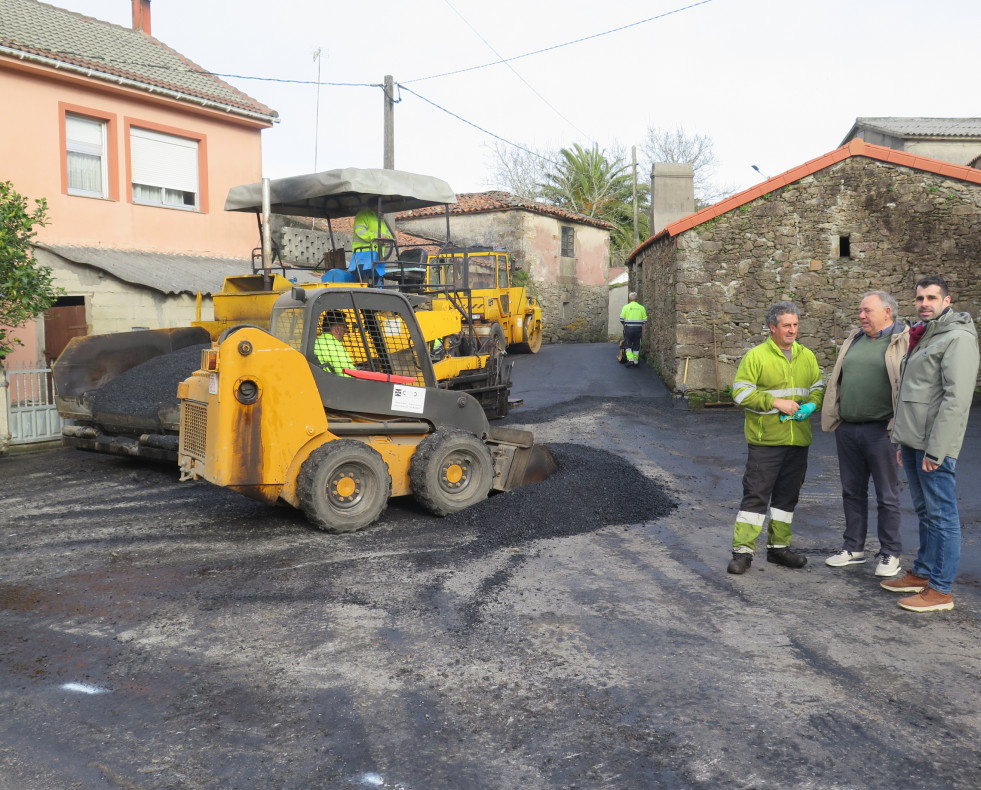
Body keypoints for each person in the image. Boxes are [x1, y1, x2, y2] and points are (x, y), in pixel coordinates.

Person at [881, 275, 979, 612]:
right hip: (913, 440)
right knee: (925, 512)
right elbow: (914, 393)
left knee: (942, 516)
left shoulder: (957, 338)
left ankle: (940, 590)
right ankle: (923, 572)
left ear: (947, 301)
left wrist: (937, 450)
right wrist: (902, 440)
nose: (924, 303)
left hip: (933, 444)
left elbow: (956, 399)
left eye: (932, 298)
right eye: (920, 297)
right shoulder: (923, 335)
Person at [727, 301, 825, 575]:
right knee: (756, 497)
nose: (792, 330)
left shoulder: (807, 356)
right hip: (766, 440)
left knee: (786, 498)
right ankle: (743, 553)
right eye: (786, 325)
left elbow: (817, 388)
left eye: (795, 325)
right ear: (773, 328)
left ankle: (778, 548)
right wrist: (776, 402)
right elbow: (741, 394)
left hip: (798, 440)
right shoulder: (756, 356)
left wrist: (811, 406)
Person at [821, 291, 909, 577]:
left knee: (887, 495)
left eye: (866, 311)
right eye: (860, 310)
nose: (861, 316)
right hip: (848, 428)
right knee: (851, 491)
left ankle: (890, 553)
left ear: (887, 312)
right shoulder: (855, 338)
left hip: (881, 430)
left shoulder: (903, 341)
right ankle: (853, 548)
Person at [315, 310, 356, 376]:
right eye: (344, 327)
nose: (345, 331)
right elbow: (346, 374)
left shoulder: (316, 342)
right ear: (337, 329)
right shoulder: (335, 347)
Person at [619, 292, 648, 367]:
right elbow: (645, 320)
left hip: (628, 328)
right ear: (636, 299)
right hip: (638, 329)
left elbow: (621, 319)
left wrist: (624, 324)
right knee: (637, 344)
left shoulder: (626, 307)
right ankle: (635, 360)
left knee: (627, 344)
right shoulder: (641, 307)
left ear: (629, 299)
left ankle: (630, 359)